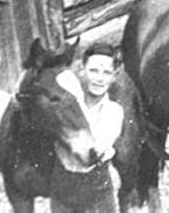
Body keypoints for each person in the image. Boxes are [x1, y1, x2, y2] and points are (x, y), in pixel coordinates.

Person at [49, 42, 124, 213]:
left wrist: (73, 101)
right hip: (63, 185)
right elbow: (58, 78)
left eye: (107, 73)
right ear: (81, 70)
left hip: (97, 188)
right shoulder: (68, 99)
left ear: (114, 76)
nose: (99, 78)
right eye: (93, 71)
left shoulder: (113, 111)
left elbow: (91, 153)